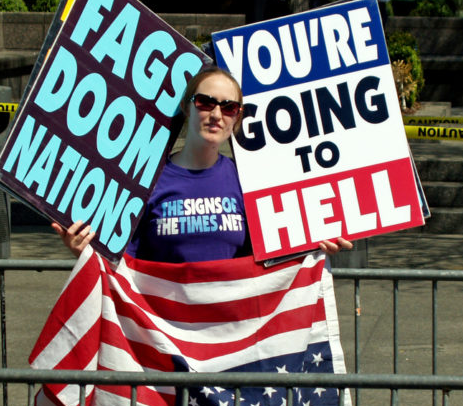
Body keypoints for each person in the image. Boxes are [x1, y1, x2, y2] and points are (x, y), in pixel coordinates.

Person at [52, 66, 352, 261]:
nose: (216, 114)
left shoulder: (249, 180)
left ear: (237, 116)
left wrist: (311, 241)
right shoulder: (147, 181)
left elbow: (269, 259)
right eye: (205, 102)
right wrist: (87, 251)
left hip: (232, 337)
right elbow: (120, 262)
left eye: (229, 107)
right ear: (187, 107)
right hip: (160, 339)